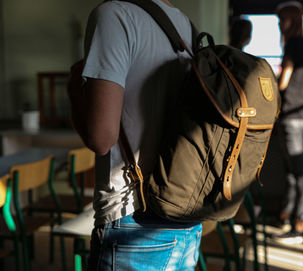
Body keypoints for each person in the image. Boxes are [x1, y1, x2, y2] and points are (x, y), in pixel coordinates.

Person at [67, 0, 202, 270]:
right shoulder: (184, 24)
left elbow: (101, 138)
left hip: (133, 216)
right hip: (186, 215)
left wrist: (74, 87)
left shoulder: (114, 15)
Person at [274, 1, 303, 243]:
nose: (280, 23)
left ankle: (301, 225)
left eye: (283, 19)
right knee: (292, 172)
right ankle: (287, 217)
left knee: (299, 172)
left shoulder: (293, 43)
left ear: (293, 21)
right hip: (302, 112)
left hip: (293, 116)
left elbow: (283, 81)